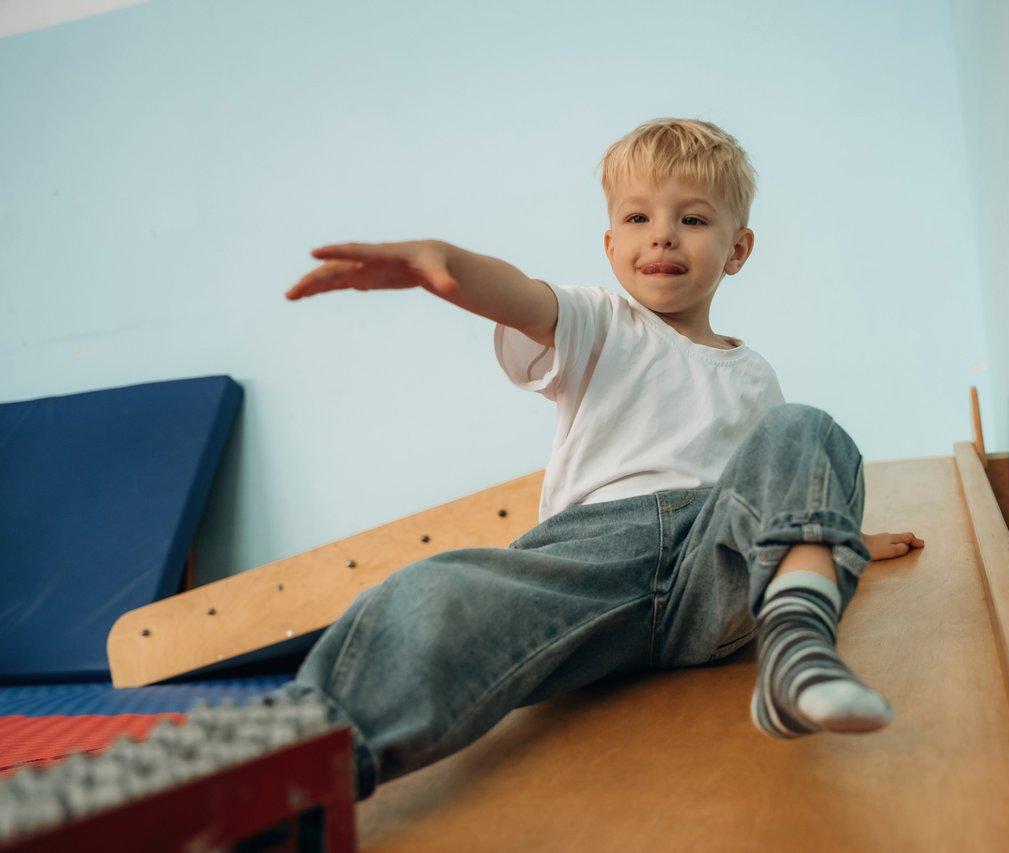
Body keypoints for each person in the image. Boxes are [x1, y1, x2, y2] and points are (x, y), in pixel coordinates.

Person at [276, 117, 924, 800]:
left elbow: (783, 474)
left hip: (715, 578)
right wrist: (448, 264)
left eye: (693, 219)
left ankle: (799, 652)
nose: (663, 234)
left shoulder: (755, 375)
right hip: (593, 566)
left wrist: (832, 534)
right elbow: (520, 294)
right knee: (435, 592)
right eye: (638, 216)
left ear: (739, 248)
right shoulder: (600, 323)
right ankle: (296, 751)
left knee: (810, 427)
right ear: (611, 245)